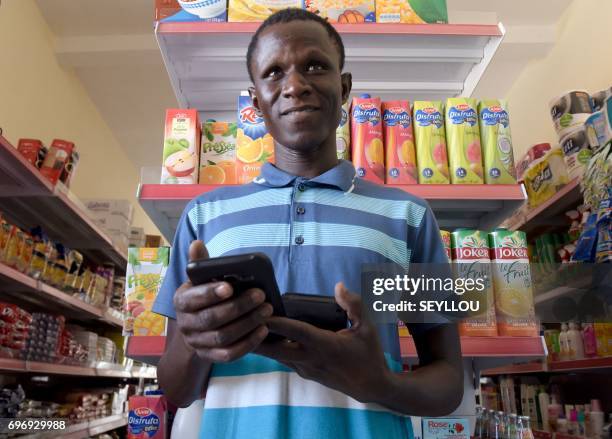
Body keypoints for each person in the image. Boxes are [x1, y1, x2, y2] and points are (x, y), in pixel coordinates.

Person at [154, 8, 464, 439]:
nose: (295, 86)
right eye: (274, 73)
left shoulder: (408, 215)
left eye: (315, 66)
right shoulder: (204, 216)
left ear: (345, 86)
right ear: (256, 100)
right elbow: (176, 390)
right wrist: (194, 340)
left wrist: (379, 383)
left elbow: (450, 381)